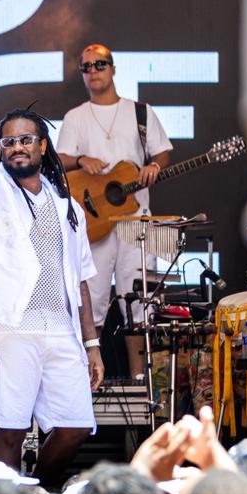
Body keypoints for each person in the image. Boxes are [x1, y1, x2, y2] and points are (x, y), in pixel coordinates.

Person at [0, 105, 104, 485]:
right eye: (8, 142)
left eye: (25, 140)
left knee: (76, 425)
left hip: (59, 327)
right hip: (8, 326)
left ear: (42, 145)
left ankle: (38, 493)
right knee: (10, 427)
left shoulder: (68, 207)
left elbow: (81, 279)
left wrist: (91, 344)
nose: (16, 147)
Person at [56, 43, 172, 378]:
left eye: (100, 64)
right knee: (88, 300)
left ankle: (139, 382)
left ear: (113, 68)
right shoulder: (76, 117)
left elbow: (162, 152)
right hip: (95, 224)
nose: (93, 71)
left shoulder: (140, 112)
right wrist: (81, 160)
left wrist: (152, 165)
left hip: (136, 223)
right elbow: (60, 159)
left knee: (138, 302)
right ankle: (82, 378)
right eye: (86, 67)